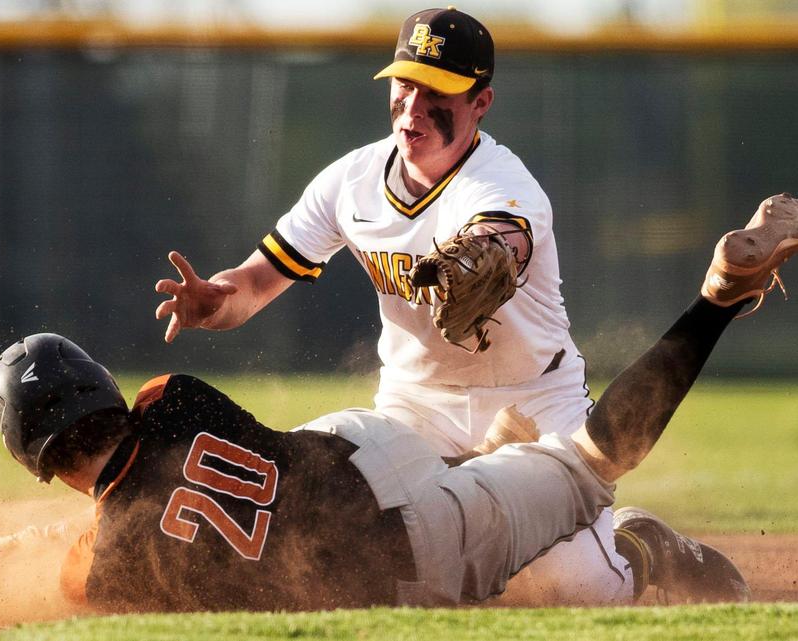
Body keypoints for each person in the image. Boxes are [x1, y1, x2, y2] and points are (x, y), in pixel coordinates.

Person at [0, 196, 798, 611]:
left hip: (409, 551)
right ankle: (717, 297)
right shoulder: (171, 399)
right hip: (366, 447)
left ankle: (625, 525)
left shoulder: (95, 565)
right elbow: (173, 481)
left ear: (38, 459)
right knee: (300, 452)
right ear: (104, 388)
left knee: (595, 464)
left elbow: (134, 530)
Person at [153, 6, 619, 603]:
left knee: (571, 589)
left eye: (439, 91)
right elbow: (255, 282)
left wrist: (486, 251)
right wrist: (216, 300)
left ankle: (639, 546)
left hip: (533, 402)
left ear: (481, 102)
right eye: (406, 82)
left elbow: (507, 231)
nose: (415, 105)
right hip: (414, 408)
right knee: (315, 513)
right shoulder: (351, 181)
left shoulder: (502, 184)